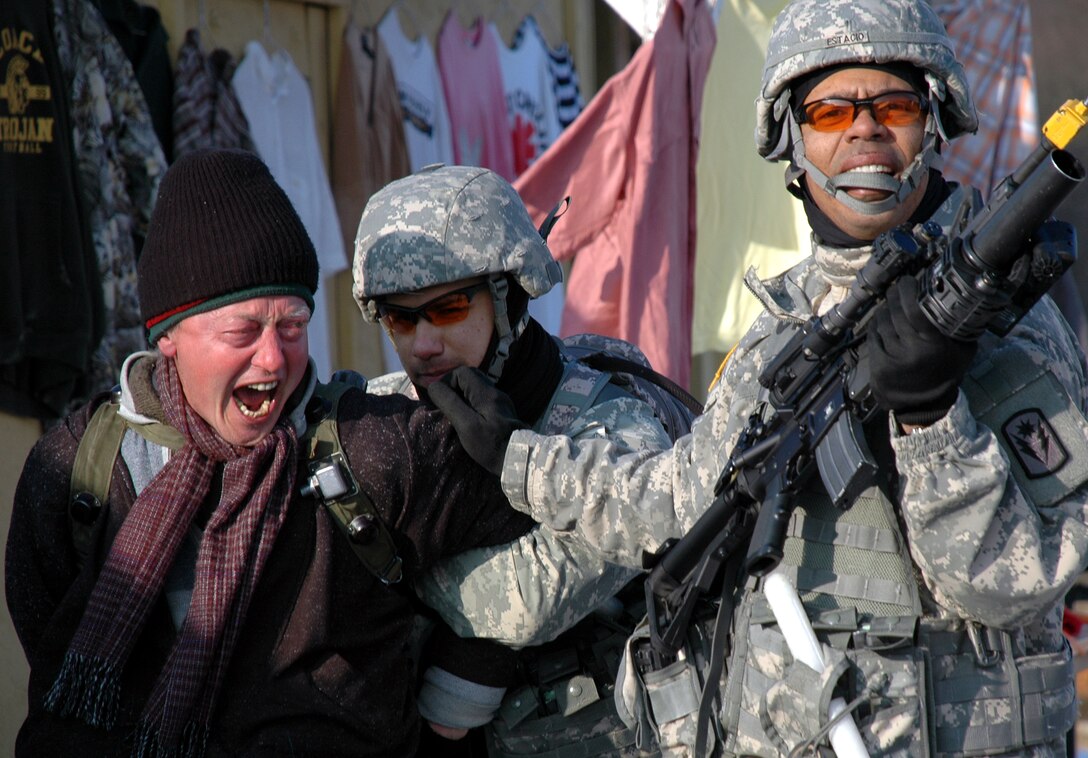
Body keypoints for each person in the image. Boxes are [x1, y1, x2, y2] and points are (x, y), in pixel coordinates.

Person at [429, 0, 1088, 755]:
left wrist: (930, 417)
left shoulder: (1002, 322)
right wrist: (517, 458)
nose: (865, 131)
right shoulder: (788, 321)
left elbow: (1009, 586)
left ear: (934, 123)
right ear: (790, 140)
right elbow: (682, 503)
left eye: (895, 106)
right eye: (830, 112)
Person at [3, 148, 537, 757]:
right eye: (242, 331)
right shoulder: (76, 471)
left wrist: (461, 688)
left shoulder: (378, 448)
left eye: (292, 326)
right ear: (169, 338)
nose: (274, 359)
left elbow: (523, 524)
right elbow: (44, 635)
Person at [352, 163, 677, 756]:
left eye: (449, 308)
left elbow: (523, 601)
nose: (423, 344)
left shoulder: (614, 417)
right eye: (400, 317)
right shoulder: (382, 413)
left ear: (508, 299)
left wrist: (378, 554)